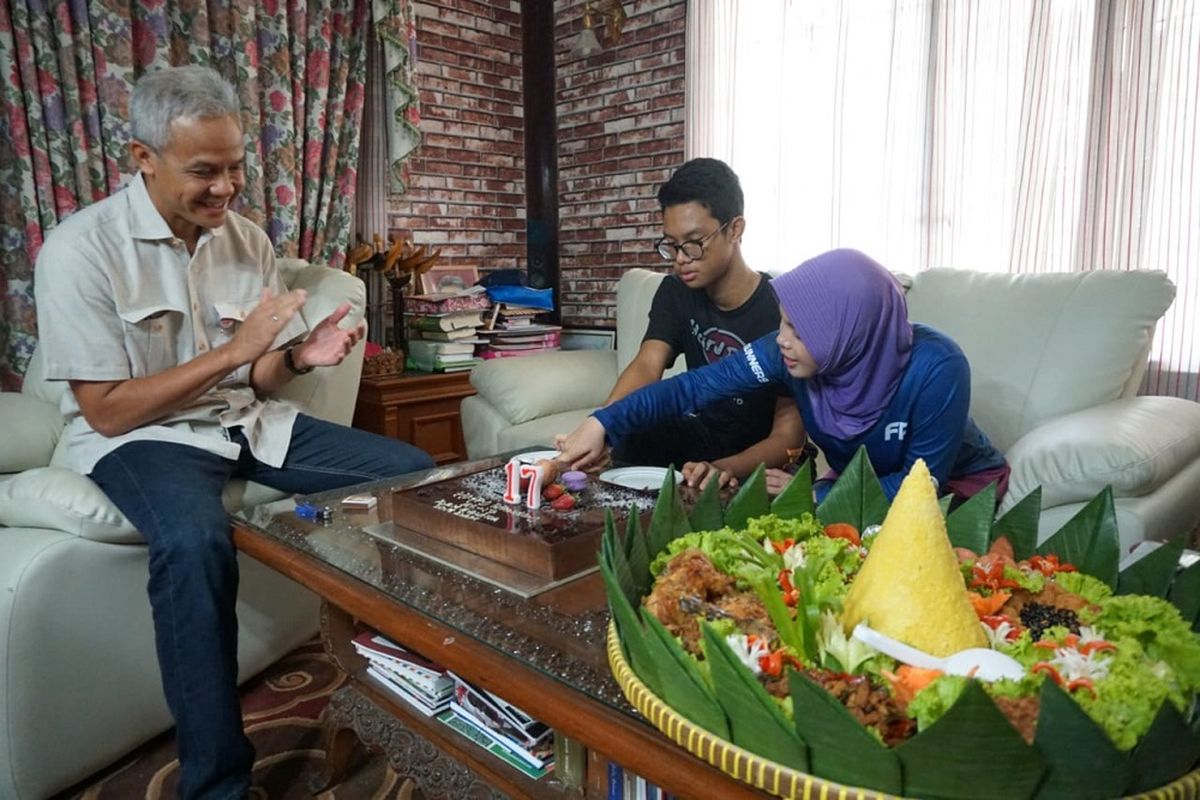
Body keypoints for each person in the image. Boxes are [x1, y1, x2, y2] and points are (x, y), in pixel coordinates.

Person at [34, 66, 434, 800]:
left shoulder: (244, 240)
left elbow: (254, 378)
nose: (224, 189)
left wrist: (293, 360)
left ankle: (415, 696)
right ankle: (216, 784)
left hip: (242, 422)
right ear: (142, 158)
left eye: (237, 168)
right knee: (191, 545)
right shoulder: (78, 250)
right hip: (141, 439)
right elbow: (108, 411)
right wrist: (238, 351)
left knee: (414, 476)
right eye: (203, 172)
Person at [556, 248, 1010, 504]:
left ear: (847, 333)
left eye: (799, 328)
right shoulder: (788, 354)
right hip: (857, 485)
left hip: (951, 488)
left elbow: (917, 486)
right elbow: (691, 388)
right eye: (783, 322)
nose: (783, 339)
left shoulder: (938, 368)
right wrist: (603, 423)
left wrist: (814, 498)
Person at [606, 157, 805, 486]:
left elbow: (789, 437)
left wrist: (725, 467)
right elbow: (646, 365)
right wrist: (603, 424)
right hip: (701, 440)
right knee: (629, 431)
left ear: (735, 229)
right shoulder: (675, 291)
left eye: (694, 243)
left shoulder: (780, 308)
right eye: (672, 245)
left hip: (760, 453)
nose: (681, 258)